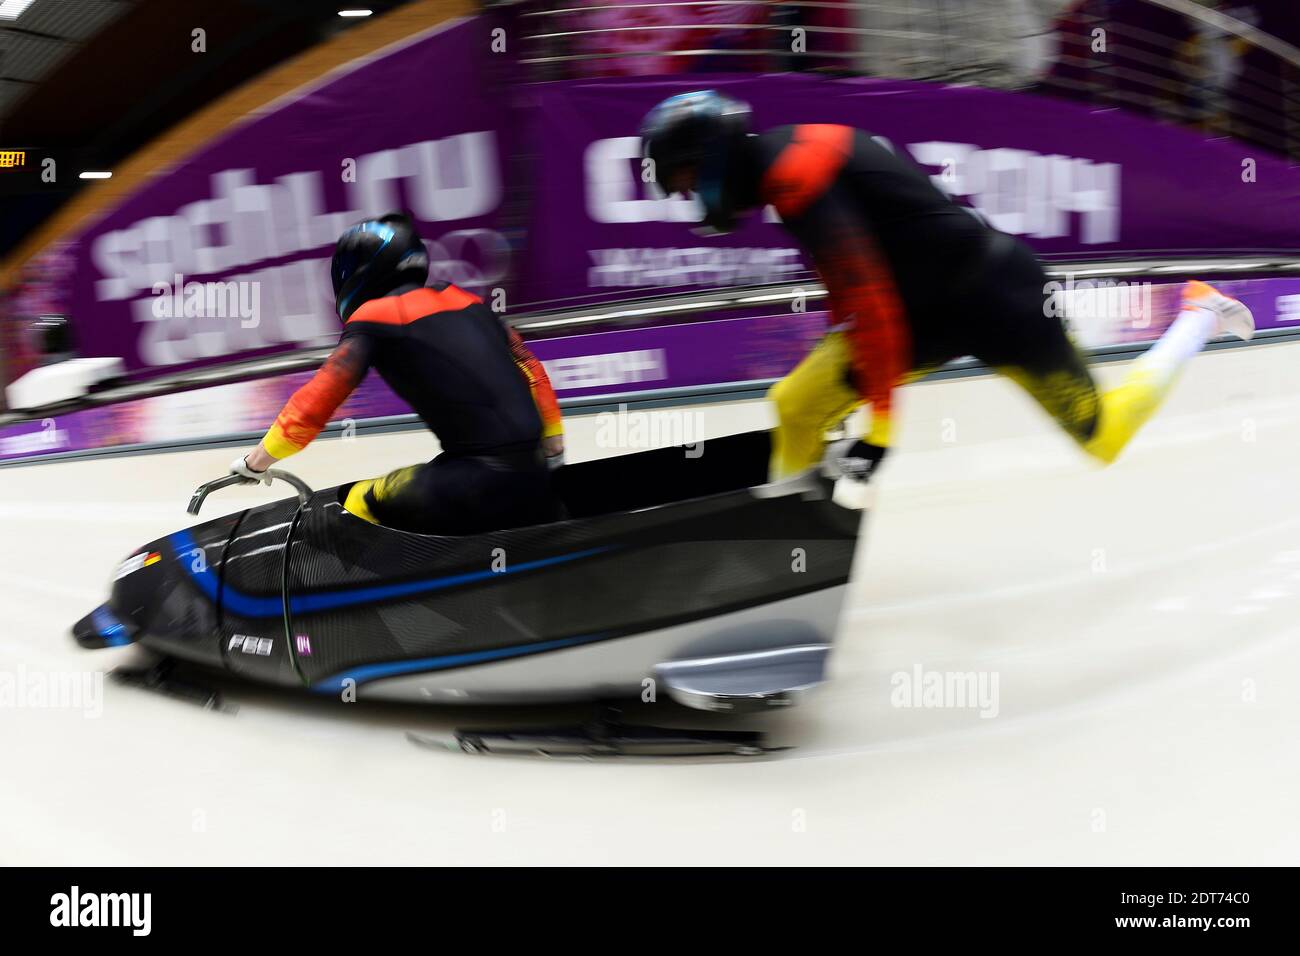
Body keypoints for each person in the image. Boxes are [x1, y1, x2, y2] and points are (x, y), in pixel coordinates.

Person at [639, 90, 1254, 483]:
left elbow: (870, 301)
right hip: (928, 310)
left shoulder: (796, 174)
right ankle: (791, 549)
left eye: (685, 177)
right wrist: (839, 404)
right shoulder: (785, 164)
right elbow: (847, 292)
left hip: (998, 301)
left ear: (712, 156)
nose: (688, 195)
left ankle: (1198, 313)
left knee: (1103, 438)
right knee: (796, 405)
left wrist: (879, 429)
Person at [230, 212, 564, 535]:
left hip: (470, 483)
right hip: (534, 476)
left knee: (355, 503)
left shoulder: (375, 317)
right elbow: (531, 369)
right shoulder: (466, 300)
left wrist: (255, 461)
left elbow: (314, 404)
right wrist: (553, 447)